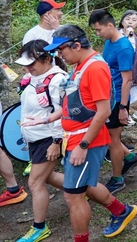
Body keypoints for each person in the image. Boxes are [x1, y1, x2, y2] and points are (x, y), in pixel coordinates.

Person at [43, 25, 137, 241]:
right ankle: (121, 211)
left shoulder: (94, 68)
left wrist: (83, 145)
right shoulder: (80, 65)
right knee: (83, 186)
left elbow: (103, 111)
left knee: (73, 196)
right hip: (75, 138)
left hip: (86, 141)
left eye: (61, 50)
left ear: (76, 45)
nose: (59, 55)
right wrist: (47, 119)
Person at [15, 40, 67, 241]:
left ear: (46, 59)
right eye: (25, 65)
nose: (28, 68)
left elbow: (63, 112)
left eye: (31, 64)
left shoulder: (58, 80)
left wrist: (56, 142)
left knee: (35, 182)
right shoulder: (33, 77)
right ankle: (85, 189)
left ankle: (39, 228)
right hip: (35, 137)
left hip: (48, 137)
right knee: (47, 176)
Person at [89, 9, 137, 194]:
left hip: (118, 99)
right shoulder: (108, 41)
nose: (98, 33)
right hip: (107, 96)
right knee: (108, 136)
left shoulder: (124, 48)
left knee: (113, 140)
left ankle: (117, 179)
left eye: (99, 29)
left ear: (110, 25)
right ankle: (130, 158)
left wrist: (122, 108)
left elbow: (127, 80)